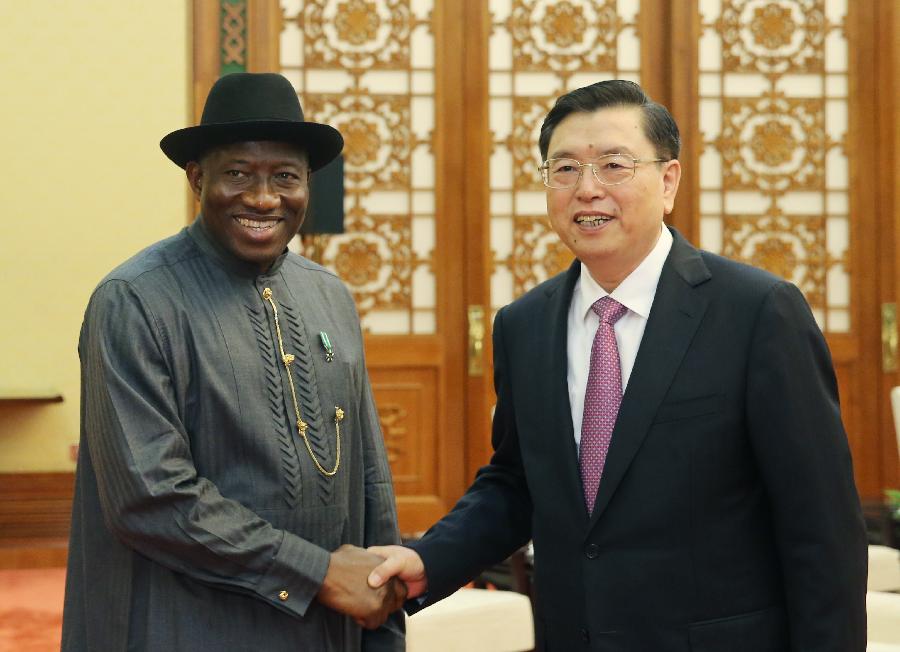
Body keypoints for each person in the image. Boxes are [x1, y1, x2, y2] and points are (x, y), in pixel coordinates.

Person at [368, 80, 867, 651]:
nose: (587, 189)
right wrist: (429, 558)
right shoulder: (524, 325)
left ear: (669, 180)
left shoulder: (756, 312)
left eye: (613, 165)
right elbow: (517, 483)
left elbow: (821, 529)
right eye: (564, 169)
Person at [62, 72, 405, 651]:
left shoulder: (330, 295)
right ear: (198, 179)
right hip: (186, 627)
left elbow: (368, 478)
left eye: (286, 177)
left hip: (325, 628)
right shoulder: (135, 301)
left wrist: (380, 612)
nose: (265, 198)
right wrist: (317, 572)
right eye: (239, 174)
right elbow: (149, 497)